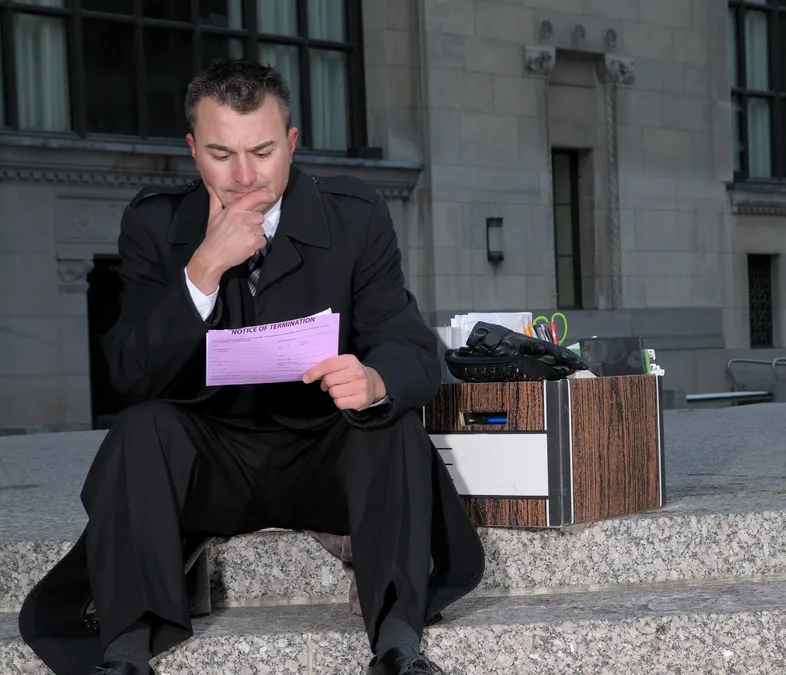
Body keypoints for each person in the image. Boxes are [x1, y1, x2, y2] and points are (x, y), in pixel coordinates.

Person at [17, 58, 485, 675]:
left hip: (325, 453)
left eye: (261, 152)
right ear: (192, 150)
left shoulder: (355, 215)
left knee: (392, 424)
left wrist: (375, 380)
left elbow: (406, 341)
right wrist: (202, 269)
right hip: (209, 463)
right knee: (140, 429)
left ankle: (398, 645)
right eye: (220, 153)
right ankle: (125, 651)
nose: (243, 176)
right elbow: (130, 375)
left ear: (290, 143)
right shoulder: (156, 224)